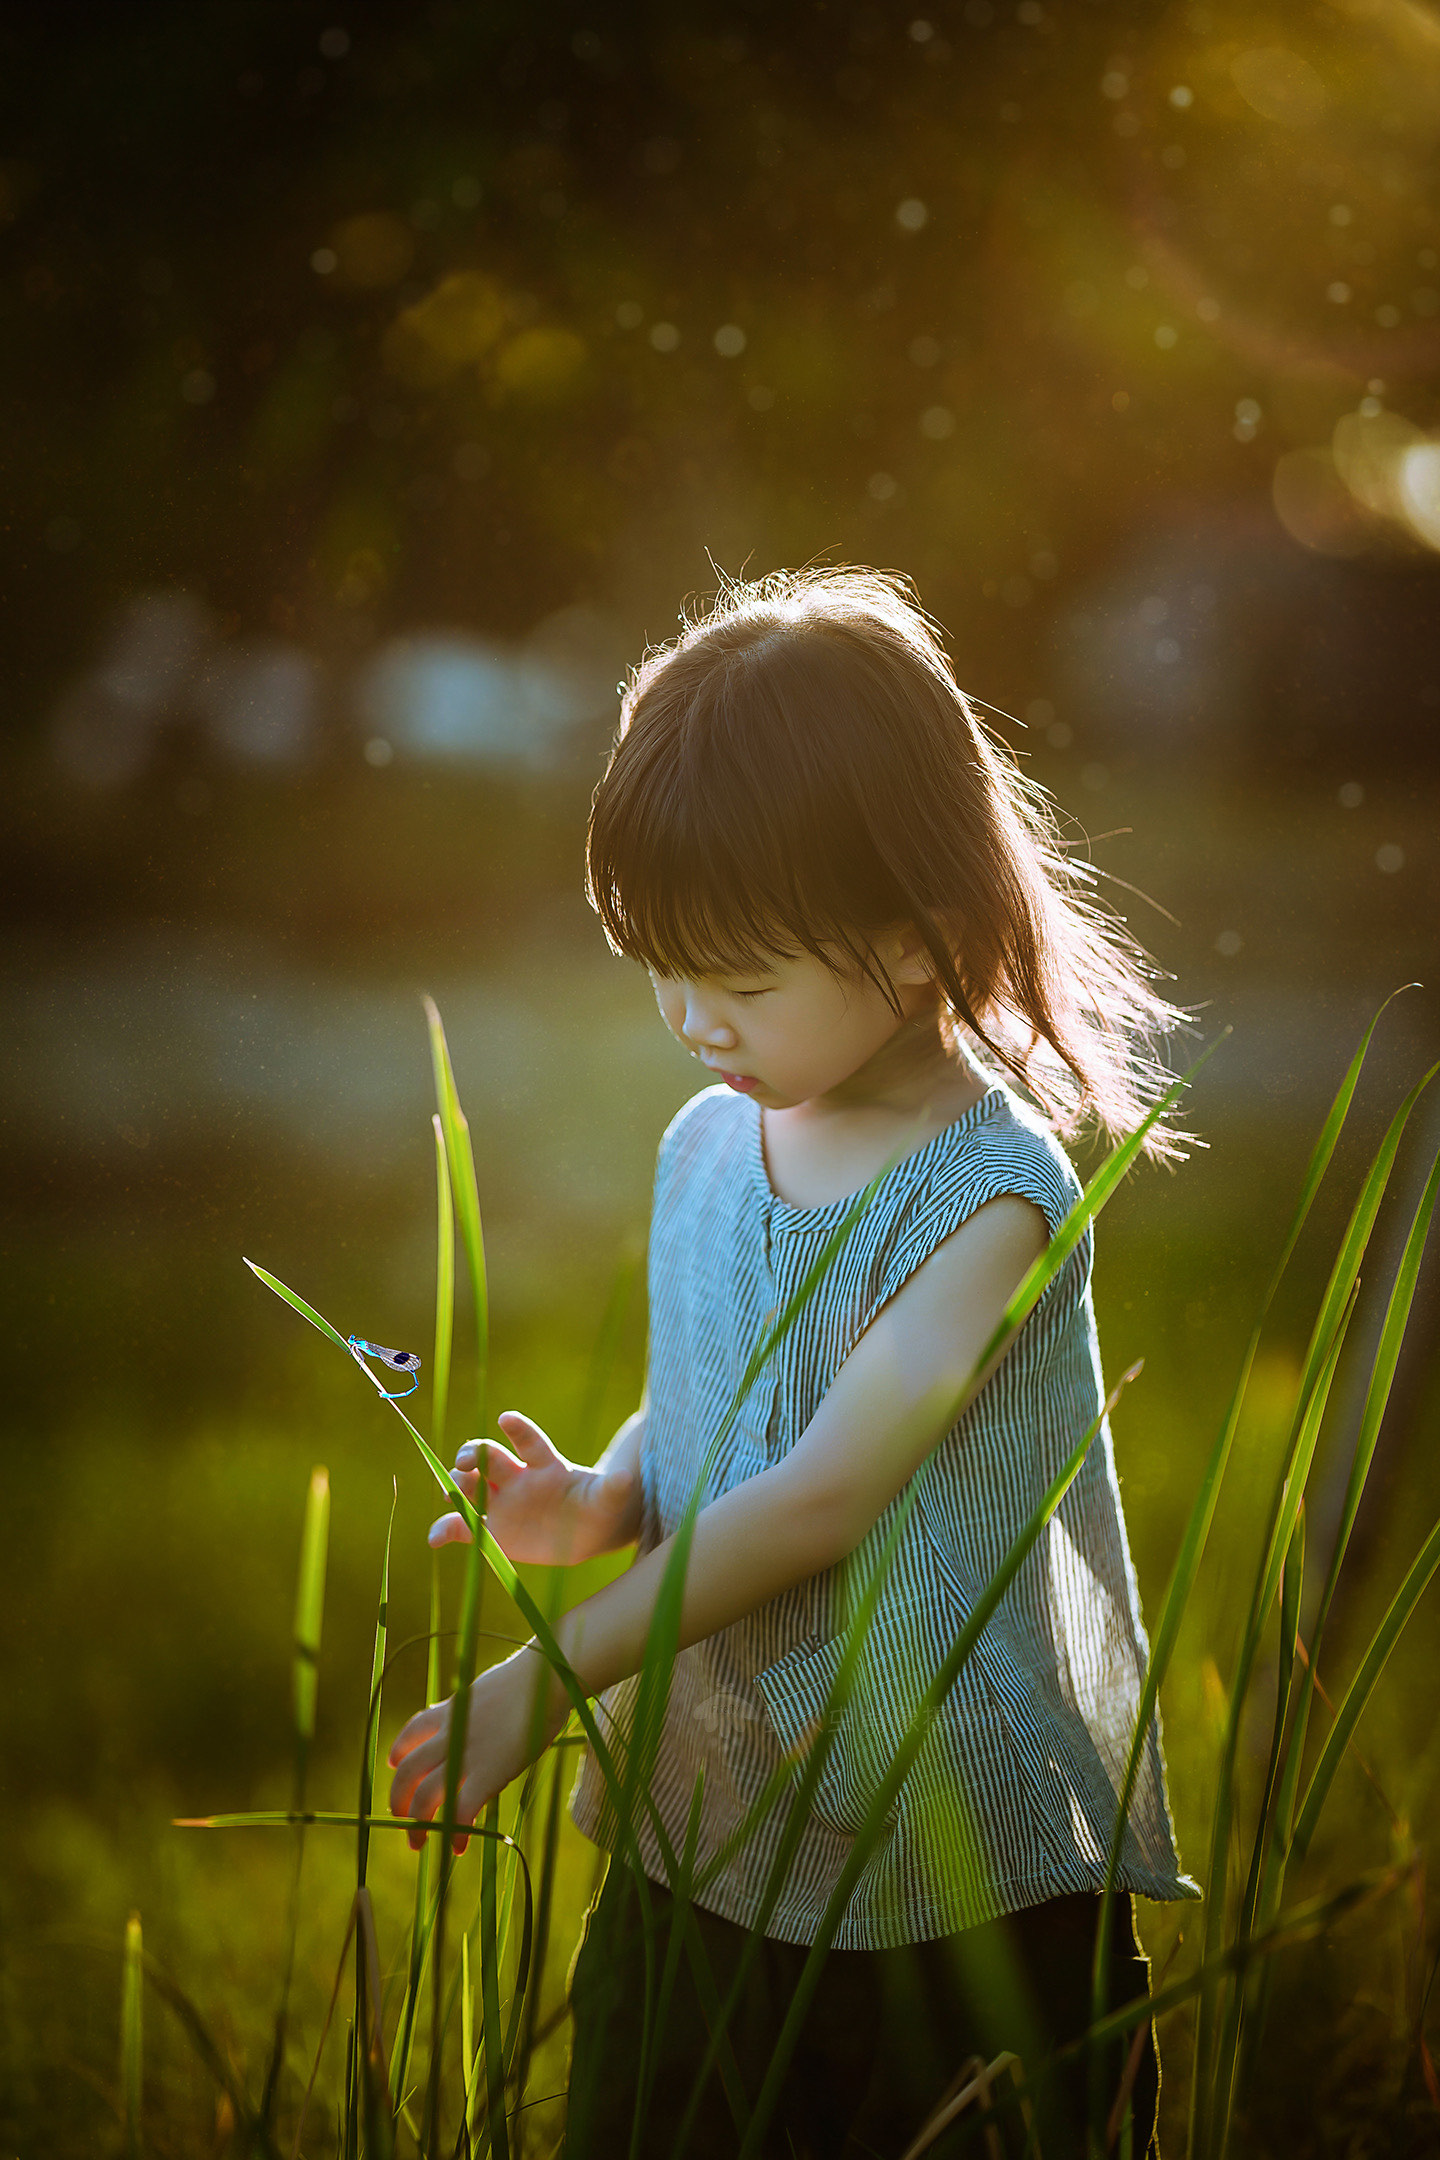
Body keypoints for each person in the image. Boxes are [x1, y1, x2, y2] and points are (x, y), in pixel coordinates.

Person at [388, 567, 1199, 2156]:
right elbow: (739, 1382)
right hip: (714, 1821)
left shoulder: (987, 1203)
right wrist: (610, 1492)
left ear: (918, 949)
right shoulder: (714, 1137)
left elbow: (825, 1492)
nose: (692, 1020)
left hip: (933, 1862)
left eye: (741, 980)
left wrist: (552, 1680)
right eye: (661, 967)